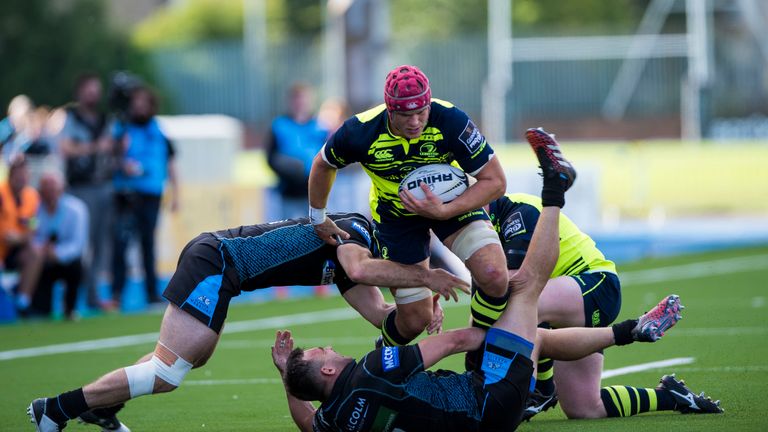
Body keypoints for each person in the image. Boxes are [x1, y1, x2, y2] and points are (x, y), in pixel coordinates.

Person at [270, 135, 720, 432]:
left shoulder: (335, 422)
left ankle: (654, 375)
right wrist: (495, 339)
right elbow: (461, 335)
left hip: (588, 291)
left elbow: (308, 423)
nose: (327, 348)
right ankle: (556, 190)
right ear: (328, 371)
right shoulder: (370, 368)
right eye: (320, 353)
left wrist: (289, 377)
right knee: (523, 296)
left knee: (546, 355)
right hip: (493, 393)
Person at [27, 212, 469, 432]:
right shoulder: (355, 234)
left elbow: (381, 317)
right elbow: (361, 270)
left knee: (183, 361)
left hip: (223, 273)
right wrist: (423, 278)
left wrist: (421, 307)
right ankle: (58, 410)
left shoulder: (357, 256)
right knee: (170, 371)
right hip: (215, 262)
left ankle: (102, 406)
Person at [309, 65, 510, 348]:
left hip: (451, 202)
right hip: (395, 217)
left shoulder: (451, 119)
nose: (415, 122)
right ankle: (379, 363)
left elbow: (495, 181)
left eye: (421, 112)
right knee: (415, 319)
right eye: (406, 115)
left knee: (494, 274)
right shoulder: (361, 130)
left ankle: (480, 351)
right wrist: (318, 216)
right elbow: (323, 164)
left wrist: (444, 211)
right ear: (390, 110)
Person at [487, 190, 722, 420]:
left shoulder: (517, 212)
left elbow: (514, 290)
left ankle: (543, 389)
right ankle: (670, 396)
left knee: (516, 309)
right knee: (585, 407)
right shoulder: (479, 227)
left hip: (593, 284)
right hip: (559, 301)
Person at [110, 86, 179, 308]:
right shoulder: (122, 128)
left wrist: (176, 193)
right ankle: (117, 293)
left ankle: (151, 293)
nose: (139, 106)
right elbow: (111, 157)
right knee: (121, 242)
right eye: (136, 101)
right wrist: (122, 162)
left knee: (147, 243)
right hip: (127, 192)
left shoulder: (159, 130)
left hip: (150, 193)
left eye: (143, 101)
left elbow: (170, 163)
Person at [58, 73, 114, 311]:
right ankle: (76, 297)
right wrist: (93, 148)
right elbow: (65, 147)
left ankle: (93, 294)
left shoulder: (105, 119)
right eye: (89, 89)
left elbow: (113, 146)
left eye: (96, 89)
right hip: (82, 187)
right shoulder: (71, 117)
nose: (93, 94)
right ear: (80, 92)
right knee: (84, 243)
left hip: (104, 184)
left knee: (102, 243)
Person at [26, 171, 88, 320]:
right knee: (36, 265)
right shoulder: (35, 209)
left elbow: (77, 244)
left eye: (53, 188)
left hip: (65, 260)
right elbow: (31, 233)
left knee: (77, 267)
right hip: (43, 259)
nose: (50, 193)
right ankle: (38, 308)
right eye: (46, 188)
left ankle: (70, 308)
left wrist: (57, 253)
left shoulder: (77, 209)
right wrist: (41, 249)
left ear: (61, 189)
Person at [267, 83, 330, 219]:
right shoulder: (280, 125)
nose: (300, 103)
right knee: (287, 230)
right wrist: (289, 169)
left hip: (317, 191)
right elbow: (270, 158)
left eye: (303, 99)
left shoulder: (320, 126)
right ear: (290, 101)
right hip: (289, 190)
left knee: (317, 230)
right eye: (297, 99)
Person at [0, 157, 41, 312]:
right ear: (11, 175)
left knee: (35, 253)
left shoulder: (32, 196)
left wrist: (20, 238)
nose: (22, 179)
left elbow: (33, 226)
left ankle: (23, 301)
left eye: (24, 175)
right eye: (18, 175)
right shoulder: (1, 193)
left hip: (16, 247)